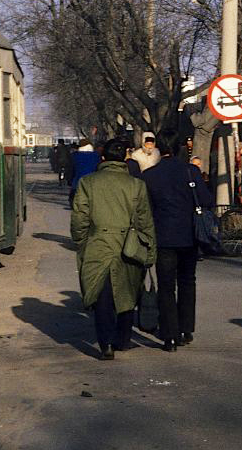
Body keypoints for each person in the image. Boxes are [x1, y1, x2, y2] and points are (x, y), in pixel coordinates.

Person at [70, 138, 156, 360]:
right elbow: (145, 221)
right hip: (129, 247)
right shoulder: (136, 185)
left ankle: (105, 343)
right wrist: (150, 251)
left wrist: (80, 242)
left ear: (103, 158)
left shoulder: (88, 183)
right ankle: (123, 339)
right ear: (125, 158)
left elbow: (80, 218)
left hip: (97, 246)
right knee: (127, 293)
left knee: (102, 295)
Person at [141, 129, 212, 351]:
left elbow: (145, 209)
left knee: (166, 286)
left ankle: (169, 336)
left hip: (163, 237)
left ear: (159, 149)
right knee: (187, 282)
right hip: (189, 236)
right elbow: (206, 200)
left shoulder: (150, 176)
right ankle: (186, 328)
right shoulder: (191, 171)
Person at [69, 139, 100, 207]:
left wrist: (70, 181)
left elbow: (71, 170)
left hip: (78, 182)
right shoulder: (96, 156)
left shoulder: (75, 156)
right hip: (93, 183)